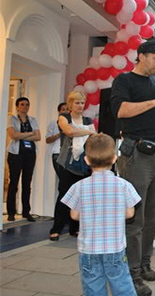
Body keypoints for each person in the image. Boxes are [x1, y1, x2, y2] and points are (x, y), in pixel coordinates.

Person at [110, 40, 155, 296]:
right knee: (134, 218)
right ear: (141, 56)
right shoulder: (124, 81)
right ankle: (132, 274)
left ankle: (145, 262)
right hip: (137, 154)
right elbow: (121, 110)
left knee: (152, 218)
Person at [61, 133, 140, 296]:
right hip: (115, 248)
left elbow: (74, 216)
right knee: (122, 284)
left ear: (87, 160)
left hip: (89, 249)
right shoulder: (124, 185)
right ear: (114, 158)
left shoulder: (79, 186)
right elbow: (130, 213)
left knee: (93, 287)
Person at [50, 91, 95, 239]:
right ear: (70, 104)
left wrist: (81, 131)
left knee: (81, 197)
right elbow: (68, 131)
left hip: (85, 163)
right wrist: (86, 131)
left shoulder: (88, 120)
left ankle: (75, 228)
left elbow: (94, 135)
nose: (80, 105)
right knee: (64, 195)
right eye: (77, 102)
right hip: (67, 163)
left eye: (82, 103)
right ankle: (56, 229)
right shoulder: (64, 117)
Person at [6, 97, 41, 222]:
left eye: (27, 104)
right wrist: (30, 133)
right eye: (22, 104)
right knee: (14, 182)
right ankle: (11, 212)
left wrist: (23, 135)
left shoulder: (33, 119)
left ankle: (26, 211)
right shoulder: (12, 118)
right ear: (17, 106)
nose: (25, 107)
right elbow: (13, 135)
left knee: (27, 183)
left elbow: (38, 136)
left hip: (30, 154)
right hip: (16, 154)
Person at [46, 102, 69, 178]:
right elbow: (48, 140)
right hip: (57, 153)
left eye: (67, 109)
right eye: (63, 109)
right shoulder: (53, 123)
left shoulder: (72, 123)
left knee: (68, 178)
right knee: (61, 178)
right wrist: (60, 133)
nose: (65, 111)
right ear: (59, 112)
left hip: (69, 153)